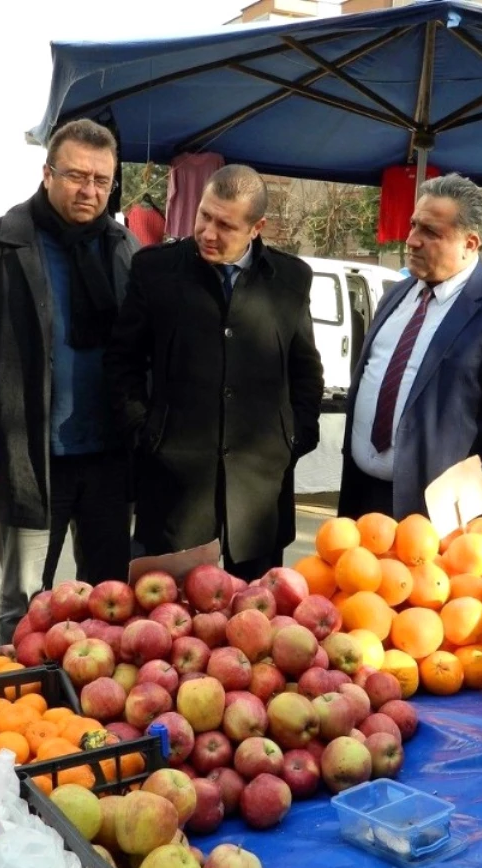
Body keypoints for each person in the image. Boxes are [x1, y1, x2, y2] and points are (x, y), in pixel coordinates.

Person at [0, 119, 138, 644]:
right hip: (26, 457)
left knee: (112, 598)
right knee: (27, 603)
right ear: (46, 173)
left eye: (101, 180)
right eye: (76, 176)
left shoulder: (124, 249)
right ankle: (20, 705)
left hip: (108, 460)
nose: (89, 190)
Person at [105, 164, 324, 581]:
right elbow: (122, 362)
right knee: (168, 623)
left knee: (256, 622)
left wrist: (294, 437)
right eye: (204, 215)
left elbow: (305, 370)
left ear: (256, 227)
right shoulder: (155, 270)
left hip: (260, 488)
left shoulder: (291, 278)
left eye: (225, 225)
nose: (208, 232)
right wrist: (143, 432)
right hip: (174, 485)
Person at [338, 173, 482, 520]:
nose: (411, 240)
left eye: (430, 232)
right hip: (363, 499)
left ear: (470, 243)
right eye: (413, 226)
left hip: (443, 520)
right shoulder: (396, 295)